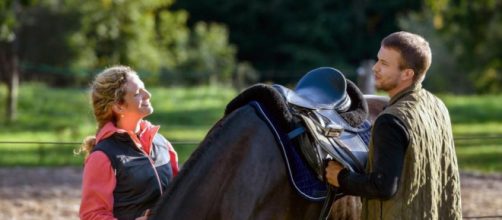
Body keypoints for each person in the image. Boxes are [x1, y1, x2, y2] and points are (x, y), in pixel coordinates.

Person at [325, 31, 462, 219]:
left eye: (384, 63)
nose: (375, 68)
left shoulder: (390, 121)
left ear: (407, 73)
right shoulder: (438, 106)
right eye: (378, 60)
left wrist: (340, 177)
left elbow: (383, 186)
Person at [78, 65, 179, 220]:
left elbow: (180, 195)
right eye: (138, 93)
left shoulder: (162, 143)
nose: (148, 95)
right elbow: (92, 215)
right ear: (118, 106)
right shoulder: (102, 157)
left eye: (144, 89)